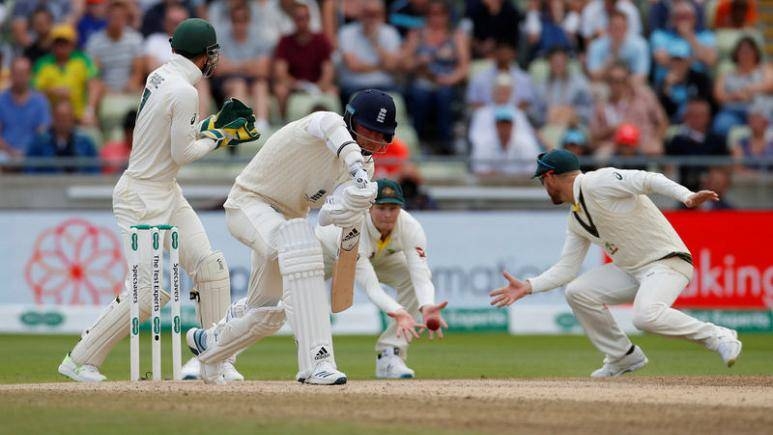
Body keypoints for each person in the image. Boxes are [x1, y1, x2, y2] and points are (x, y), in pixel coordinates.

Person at [57, 18, 260, 383]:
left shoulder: (161, 75)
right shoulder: (184, 91)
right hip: (140, 197)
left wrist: (211, 126)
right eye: (212, 53)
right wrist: (220, 137)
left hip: (165, 190)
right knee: (148, 295)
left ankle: (215, 361)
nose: (215, 59)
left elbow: (174, 135)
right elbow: (182, 153)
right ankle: (79, 359)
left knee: (210, 267)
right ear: (204, 56)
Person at [185, 89, 396, 385]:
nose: (372, 141)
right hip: (249, 203)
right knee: (303, 249)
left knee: (267, 310)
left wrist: (352, 204)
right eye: (367, 131)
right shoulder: (324, 124)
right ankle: (318, 362)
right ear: (350, 120)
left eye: (381, 136)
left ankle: (209, 343)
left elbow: (327, 215)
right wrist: (356, 169)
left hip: (289, 223)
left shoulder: (365, 168)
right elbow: (329, 128)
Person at [489, 149, 743, 377]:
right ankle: (623, 356)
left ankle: (718, 336)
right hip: (632, 270)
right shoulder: (576, 219)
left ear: (551, 176)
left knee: (645, 317)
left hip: (667, 262)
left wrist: (687, 197)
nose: (545, 187)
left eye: (543, 180)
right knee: (578, 292)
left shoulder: (598, 181)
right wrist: (528, 286)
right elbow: (567, 269)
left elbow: (648, 179)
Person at [316, 179, 448, 378]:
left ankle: (390, 355)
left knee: (409, 276)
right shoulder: (353, 227)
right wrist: (399, 312)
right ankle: (315, 363)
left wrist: (427, 305)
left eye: (393, 208)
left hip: (377, 257)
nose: (388, 215)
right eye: (382, 208)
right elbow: (372, 288)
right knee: (288, 305)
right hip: (323, 257)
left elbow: (421, 274)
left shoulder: (410, 225)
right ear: (369, 207)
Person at [26, 100, 99, 174]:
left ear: (72, 118)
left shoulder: (85, 143)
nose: (63, 121)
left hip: (78, 183)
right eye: (59, 117)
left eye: (66, 118)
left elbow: (94, 171)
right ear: (53, 118)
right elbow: (30, 171)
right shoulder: (39, 143)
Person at [0, 57, 52, 161]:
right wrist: (11, 152)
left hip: (33, 152)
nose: (20, 77)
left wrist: (27, 152)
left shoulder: (40, 101)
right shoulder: (1, 100)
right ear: (10, 75)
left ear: (30, 75)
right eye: (16, 73)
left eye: (23, 73)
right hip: (5, 153)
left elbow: (42, 132)